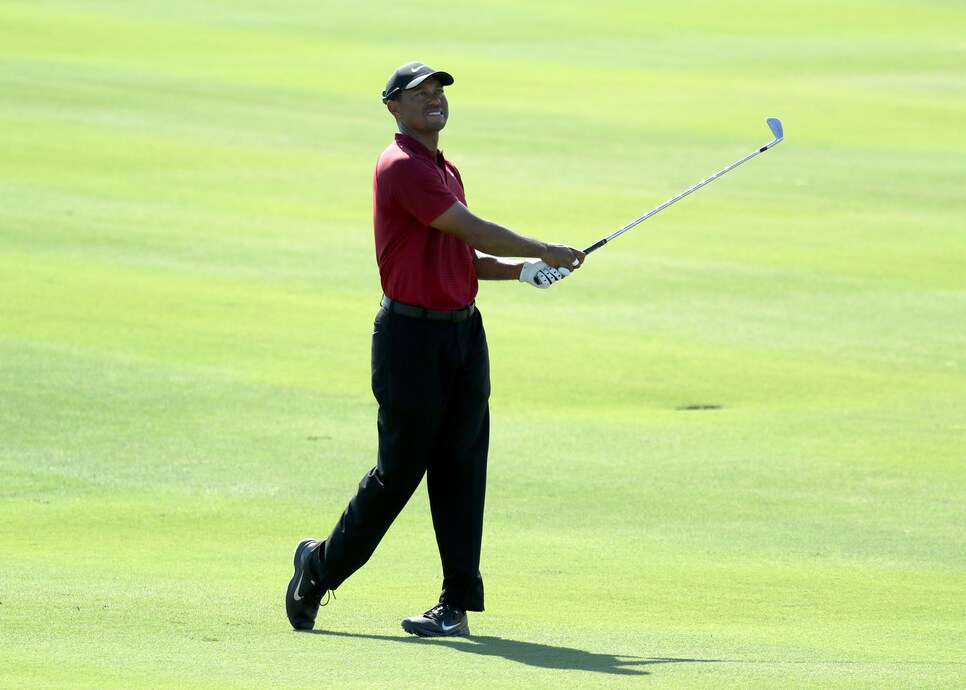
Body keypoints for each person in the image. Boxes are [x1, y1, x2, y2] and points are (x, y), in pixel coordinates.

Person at [285, 61, 585, 637]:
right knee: (398, 474)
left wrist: (523, 271)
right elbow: (470, 230)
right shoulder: (401, 166)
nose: (432, 100)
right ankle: (317, 570)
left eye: (438, 91)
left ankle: (455, 605)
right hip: (410, 340)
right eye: (417, 93)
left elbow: (462, 257)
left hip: (462, 334)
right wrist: (545, 248)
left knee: (462, 469)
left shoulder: (445, 169)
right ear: (392, 107)